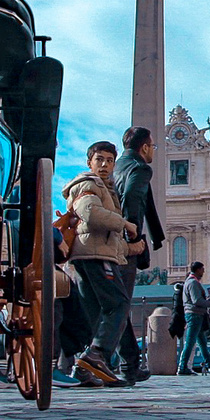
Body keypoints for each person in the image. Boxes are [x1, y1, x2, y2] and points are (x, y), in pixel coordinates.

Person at [64, 142, 138, 388]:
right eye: (99, 159)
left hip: (90, 254)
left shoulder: (106, 187)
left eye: (109, 160)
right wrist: (124, 223)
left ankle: (84, 370)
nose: (105, 165)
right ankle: (97, 354)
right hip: (94, 257)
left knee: (94, 313)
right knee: (118, 303)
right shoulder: (89, 184)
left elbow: (102, 236)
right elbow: (91, 214)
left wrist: (129, 249)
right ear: (89, 162)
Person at [114, 127, 164, 382]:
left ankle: (130, 363)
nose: (153, 151)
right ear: (144, 147)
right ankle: (90, 356)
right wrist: (132, 233)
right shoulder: (140, 168)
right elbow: (133, 198)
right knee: (118, 305)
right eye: (153, 146)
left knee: (116, 303)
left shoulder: (115, 166)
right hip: (122, 245)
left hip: (108, 239)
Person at [178, 262, 210, 375]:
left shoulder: (191, 282)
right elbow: (197, 301)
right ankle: (183, 367)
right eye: (202, 269)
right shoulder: (193, 283)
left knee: (202, 342)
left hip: (196, 314)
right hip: (194, 315)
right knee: (190, 342)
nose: (203, 271)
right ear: (198, 270)